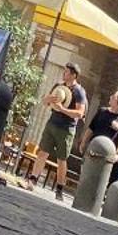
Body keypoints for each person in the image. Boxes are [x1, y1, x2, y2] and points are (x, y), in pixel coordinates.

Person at [30, 63, 87, 199]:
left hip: (66, 129)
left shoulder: (79, 92)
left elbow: (80, 113)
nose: (64, 74)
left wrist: (63, 109)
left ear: (74, 75)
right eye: (64, 71)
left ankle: (59, 189)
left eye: (66, 72)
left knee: (62, 159)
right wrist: (47, 99)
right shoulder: (58, 86)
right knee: (43, 152)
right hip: (52, 123)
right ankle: (32, 180)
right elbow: (45, 101)